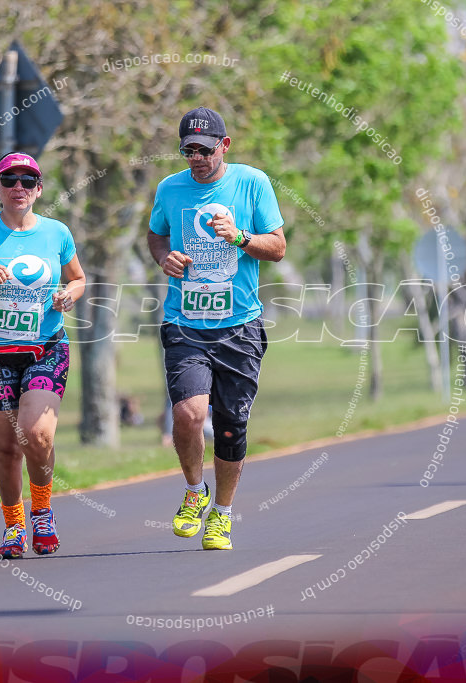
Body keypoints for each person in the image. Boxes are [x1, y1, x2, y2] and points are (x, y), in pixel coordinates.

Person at [146, 107, 286, 550]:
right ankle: (193, 491)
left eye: (205, 150)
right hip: (185, 322)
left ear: (224, 146)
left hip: (239, 326)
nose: (197, 158)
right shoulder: (170, 189)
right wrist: (163, 257)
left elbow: (278, 247)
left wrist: (239, 237)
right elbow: (155, 235)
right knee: (189, 415)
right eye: (188, 150)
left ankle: (222, 514)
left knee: (230, 427)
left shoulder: (252, 182)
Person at [0, 152, 86, 558]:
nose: (19, 188)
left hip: (46, 347)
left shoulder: (56, 232)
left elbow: (78, 279)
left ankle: (42, 511)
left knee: (36, 433)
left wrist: (67, 295)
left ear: (40, 189)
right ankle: (13, 526)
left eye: (28, 181)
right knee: (6, 447)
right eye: (10, 180)